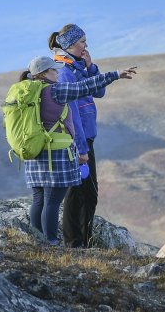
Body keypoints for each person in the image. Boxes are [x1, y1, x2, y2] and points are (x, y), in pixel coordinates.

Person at [19, 55, 136, 246]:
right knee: (53, 199)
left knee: (38, 198)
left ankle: (36, 240)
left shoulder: (27, 91)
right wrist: (115, 74)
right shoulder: (55, 91)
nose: (57, 73)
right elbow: (84, 87)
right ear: (45, 73)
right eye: (54, 70)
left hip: (33, 150)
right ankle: (50, 242)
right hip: (54, 151)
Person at [48, 23, 130, 247]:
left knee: (87, 193)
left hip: (85, 141)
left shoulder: (76, 68)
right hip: (77, 143)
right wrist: (81, 149)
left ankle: (82, 241)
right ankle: (75, 243)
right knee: (79, 194)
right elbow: (71, 115)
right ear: (72, 44)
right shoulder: (65, 73)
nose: (86, 46)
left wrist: (90, 67)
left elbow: (99, 92)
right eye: (83, 42)